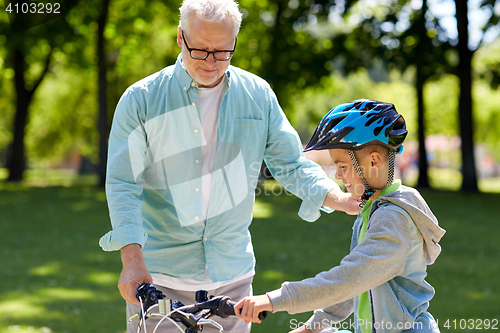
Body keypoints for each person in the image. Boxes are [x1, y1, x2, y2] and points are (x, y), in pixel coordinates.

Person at [98, 1, 360, 332]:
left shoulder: (258, 95)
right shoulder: (141, 99)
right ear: (180, 38)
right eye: (200, 50)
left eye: (222, 52)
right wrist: (132, 262)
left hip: (233, 277)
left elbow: (291, 164)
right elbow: (124, 183)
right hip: (160, 280)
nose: (211, 62)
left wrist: (338, 198)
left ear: (235, 43)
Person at [235, 99, 446, 333]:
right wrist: (314, 327)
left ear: (373, 161)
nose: (337, 174)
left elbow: (350, 279)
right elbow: (360, 283)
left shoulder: (393, 218)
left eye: (342, 166)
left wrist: (276, 299)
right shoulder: (373, 210)